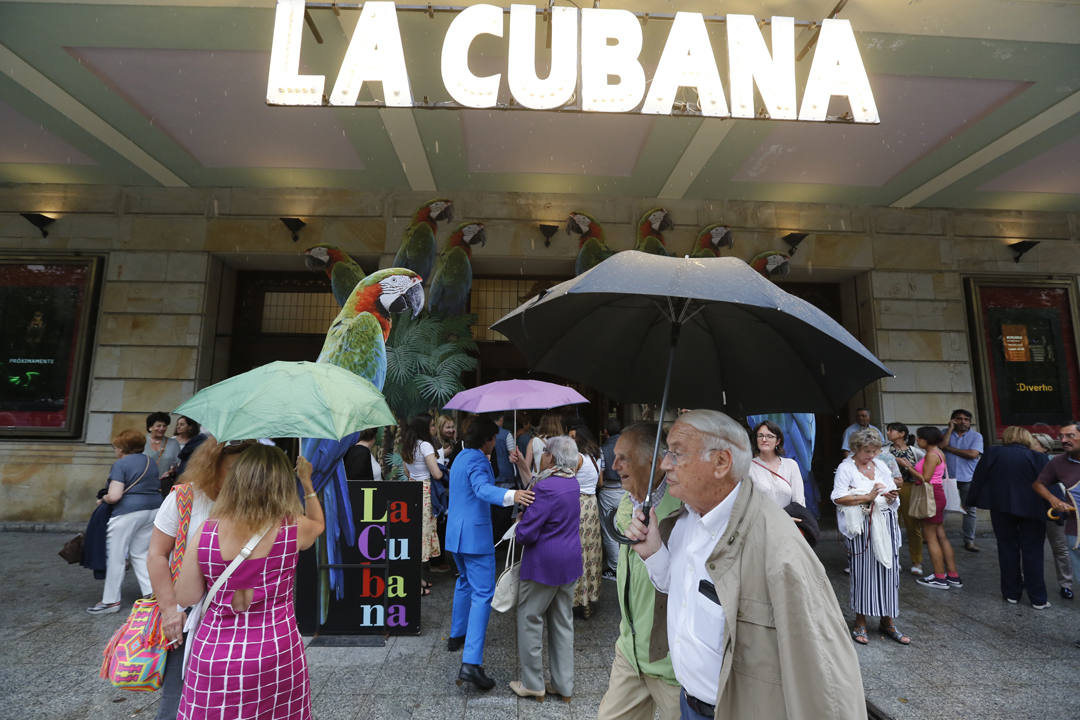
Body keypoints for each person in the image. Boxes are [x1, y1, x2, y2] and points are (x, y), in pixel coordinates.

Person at [626, 410, 865, 720]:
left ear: (722, 463)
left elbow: (824, 669)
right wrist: (654, 552)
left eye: (677, 453)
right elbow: (685, 589)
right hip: (689, 703)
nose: (664, 463)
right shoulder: (684, 521)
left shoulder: (778, 544)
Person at [174, 444, 324, 720]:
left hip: (214, 654)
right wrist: (306, 481)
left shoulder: (205, 532)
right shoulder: (293, 528)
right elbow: (318, 524)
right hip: (276, 650)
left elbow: (185, 596)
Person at [146, 438, 257, 720]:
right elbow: (157, 555)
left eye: (246, 470)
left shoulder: (258, 504)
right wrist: (170, 609)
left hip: (239, 623)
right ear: (212, 465)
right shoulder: (184, 498)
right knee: (177, 701)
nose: (238, 478)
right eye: (232, 469)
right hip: (189, 617)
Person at [596, 422, 682, 720]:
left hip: (673, 664)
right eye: (615, 456)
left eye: (624, 458)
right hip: (630, 652)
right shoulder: (626, 502)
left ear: (654, 460)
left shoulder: (686, 510)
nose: (614, 465)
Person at [445, 418, 535, 691]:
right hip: (474, 536)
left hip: (455, 535)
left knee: (464, 582)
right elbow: (482, 490)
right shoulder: (478, 461)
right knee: (483, 595)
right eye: (494, 438)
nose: (495, 442)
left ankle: (456, 634)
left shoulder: (461, 456)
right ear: (487, 439)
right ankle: (471, 663)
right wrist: (513, 495)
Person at [508, 436, 582, 701]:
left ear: (550, 457)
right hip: (570, 561)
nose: (541, 455)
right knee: (563, 622)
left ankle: (533, 683)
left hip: (544, 563)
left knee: (530, 618)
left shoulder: (546, 486)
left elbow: (527, 534)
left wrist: (521, 520)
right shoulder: (571, 482)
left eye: (544, 452)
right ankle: (564, 686)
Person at [831, 428, 908, 645]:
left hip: (886, 523)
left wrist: (892, 497)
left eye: (874, 451)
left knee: (889, 571)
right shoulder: (846, 468)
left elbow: (892, 491)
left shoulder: (880, 465)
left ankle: (888, 620)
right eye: (867, 451)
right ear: (856, 448)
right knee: (863, 574)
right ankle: (860, 621)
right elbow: (837, 497)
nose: (871, 455)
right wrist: (867, 496)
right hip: (861, 526)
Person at [967, 426, 1051, 607]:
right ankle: (1038, 598)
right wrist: (1057, 511)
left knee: (1006, 550)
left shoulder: (993, 452)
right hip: (1033, 510)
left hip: (1001, 508)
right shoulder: (1038, 457)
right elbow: (1048, 485)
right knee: (1034, 552)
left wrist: (971, 500)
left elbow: (979, 478)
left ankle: (1011, 593)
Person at [87, 429, 160, 615]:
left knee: (116, 557)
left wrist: (104, 499)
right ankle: (153, 595)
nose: (115, 450)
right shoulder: (150, 461)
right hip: (154, 510)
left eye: (116, 447)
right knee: (140, 553)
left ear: (122, 448)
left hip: (127, 513)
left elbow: (115, 495)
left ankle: (111, 601)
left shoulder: (120, 464)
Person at [898, 427, 962, 590]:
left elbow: (925, 479)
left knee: (931, 536)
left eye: (919, 438)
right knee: (941, 535)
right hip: (937, 494)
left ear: (926, 440)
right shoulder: (939, 452)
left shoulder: (931, 455)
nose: (917, 440)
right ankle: (952, 575)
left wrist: (907, 466)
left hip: (930, 495)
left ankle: (940, 577)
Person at [1032, 422, 1080, 604]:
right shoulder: (1058, 462)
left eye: (1070, 436)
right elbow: (1038, 484)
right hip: (1075, 528)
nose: (1064, 440)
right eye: (1061, 437)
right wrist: (1055, 500)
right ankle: (1066, 585)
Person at [401, 414, 443, 594]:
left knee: (414, 536)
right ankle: (415, 583)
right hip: (426, 492)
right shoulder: (425, 445)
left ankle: (419, 579)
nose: (434, 428)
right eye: (432, 425)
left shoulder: (409, 445)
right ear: (424, 428)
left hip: (411, 491)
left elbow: (406, 471)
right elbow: (437, 474)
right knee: (422, 537)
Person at [570, 423, 604, 617]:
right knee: (591, 552)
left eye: (573, 437)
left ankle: (577, 599)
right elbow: (600, 483)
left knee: (578, 551)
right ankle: (588, 600)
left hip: (579, 504)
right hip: (592, 505)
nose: (570, 440)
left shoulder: (578, 459)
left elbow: (567, 480)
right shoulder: (595, 458)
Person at [941, 409, 984, 552]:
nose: (963, 422)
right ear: (952, 420)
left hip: (968, 478)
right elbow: (941, 446)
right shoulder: (944, 433)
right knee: (941, 509)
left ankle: (969, 541)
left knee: (970, 510)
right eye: (959, 419)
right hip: (947, 478)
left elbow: (972, 454)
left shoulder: (976, 436)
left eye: (966, 419)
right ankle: (934, 537)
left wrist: (949, 449)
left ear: (970, 422)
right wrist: (949, 429)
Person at [886, 422, 925, 576]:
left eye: (892, 430)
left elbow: (923, 469)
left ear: (902, 433)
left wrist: (909, 467)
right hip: (891, 488)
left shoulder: (914, 451)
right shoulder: (885, 450)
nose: (888, 432)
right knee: (891, 525)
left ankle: (917, 561)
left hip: (910, 487)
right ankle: (893, 559)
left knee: (913, 526)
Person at [748, 420, 804, 508]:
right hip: (760, 520)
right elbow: (746, 504)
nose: (764, 439)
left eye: (769, 436)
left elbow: (799, 502)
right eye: (760, 436)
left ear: (777, 441)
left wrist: (789, 518)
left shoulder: (791, 465)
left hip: (789, 520)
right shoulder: (748, 467)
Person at [597, 418, 623, 580]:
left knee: (609, 531)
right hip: (627, 491)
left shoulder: (603, 448)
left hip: (608, 491)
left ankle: (614, 568)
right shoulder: (628, 446)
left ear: (606, 431)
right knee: (627, 529)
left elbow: (600, 479)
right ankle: (628, 566)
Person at [490, 412, 518, 543]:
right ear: (500, 419)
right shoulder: (506, 434)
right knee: (505, 509)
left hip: (492, 475)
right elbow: (512, 454)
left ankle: (494, 537)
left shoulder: (487, 433)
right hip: (506, 475)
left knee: (493, 510)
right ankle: (502, 539)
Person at [145, 411, 181, 481]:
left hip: (165, 483)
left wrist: (173, 470)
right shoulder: (142, 442)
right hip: (144, 483)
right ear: (150, 427)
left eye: (164, 426)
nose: (162, 428)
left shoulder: (173, 443)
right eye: (158, 426)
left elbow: (178, 464)